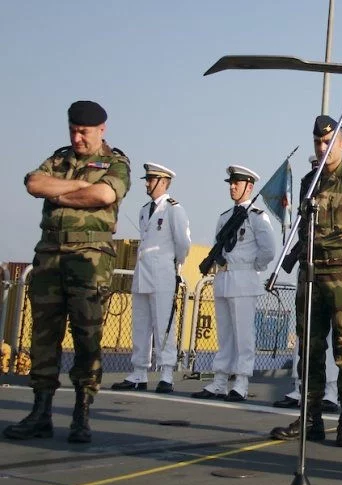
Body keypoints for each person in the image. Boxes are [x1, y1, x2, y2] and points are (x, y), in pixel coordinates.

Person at [4, 100, 130, 443]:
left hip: (88, 259)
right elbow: (33, 183)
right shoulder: (58, 158)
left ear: (101, 130)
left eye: (84, 132)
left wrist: (60, 190)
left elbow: (103, 194)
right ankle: (40, 412)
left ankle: (81, 413)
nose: (77, 137)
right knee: (43, 335)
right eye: (73, 130)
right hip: (49, 255)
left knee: (87, 337)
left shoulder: (116, 162)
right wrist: (78, 187)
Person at [270, 116, 342, 447]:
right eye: (318, 143)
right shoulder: (309, 181)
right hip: (311, 275)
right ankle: (311, 418)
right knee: (309, 349)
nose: (323, 147)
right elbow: (304, 230)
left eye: (329, 141)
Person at [191, 166, 276, 402]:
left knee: (243, 334)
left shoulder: (258, 216)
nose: (232, 187)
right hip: (223, 277)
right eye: (231, 183)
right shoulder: (225, 217)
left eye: (236, 184)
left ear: (249, 187)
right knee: (225, 333)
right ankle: (219, 380)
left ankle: (241, 381)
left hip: (244, 279)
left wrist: (252, 267)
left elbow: (268, 250)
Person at [112, 163, 191, 394]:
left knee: (163, 324)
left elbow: (183, 244)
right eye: (147, 179)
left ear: (163, 182)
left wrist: (173, 264)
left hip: (163, 273)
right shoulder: (145, 209)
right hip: (143, 273)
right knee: (141, 324)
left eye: (151, 179)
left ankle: (166, 373)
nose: (147, 183)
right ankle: (139, 372)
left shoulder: (174, 209)